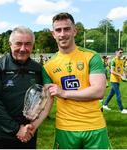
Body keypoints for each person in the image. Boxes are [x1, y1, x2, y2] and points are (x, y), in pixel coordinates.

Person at [41, 12, 110, 149]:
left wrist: (64, 93)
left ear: (74, 31)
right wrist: (32, 125)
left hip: (94, 126)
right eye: (58, 30)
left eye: (66, 29)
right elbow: (47, 102)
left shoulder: (91, 56)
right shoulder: (48, 66)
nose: (62, 34)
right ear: (53, 34)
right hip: (65, 128)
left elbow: (98, 91)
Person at [0, 26, 46, 149]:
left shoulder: (38, 69)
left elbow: (45, 96)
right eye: (18, 43)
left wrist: (32, 124)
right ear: (10, 44)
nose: (23, 49)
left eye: (28, 44)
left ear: (33, 45)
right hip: (2, 133)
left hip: (28, 132)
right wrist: (16, 129)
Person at [103, 48, 127, 113]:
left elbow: (123, 69)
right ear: (116, 53)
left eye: (122, 52)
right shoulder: (113, 60)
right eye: (120, 52)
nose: (121, 54)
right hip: (113, 80)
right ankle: (121, 109)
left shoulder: (121, 61)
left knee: (111, 93)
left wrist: (124, 74)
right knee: (118, 94)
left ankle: (105, 104)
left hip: (118, 80)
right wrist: (121, 75)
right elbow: (112, 71)